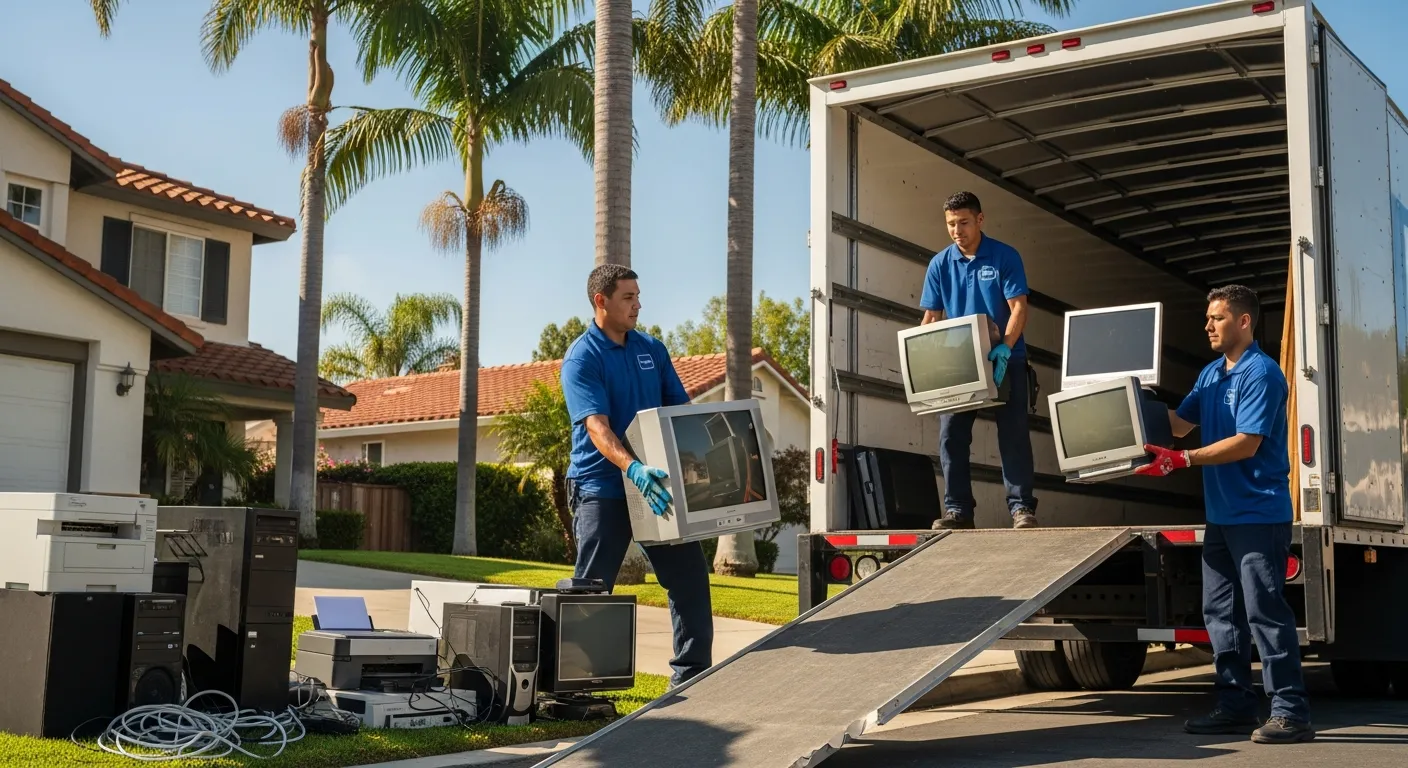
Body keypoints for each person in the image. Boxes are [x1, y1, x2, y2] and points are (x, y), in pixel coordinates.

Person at [1135, 284, 1313, 744]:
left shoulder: (1263, 374)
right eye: (1209, 318)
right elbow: (1177, 424)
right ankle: (1235, 706)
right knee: (1221, 616)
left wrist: (1185, 459)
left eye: (1217, 317)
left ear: (1244, 321)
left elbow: (1247, 442)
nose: (1208, 325)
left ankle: (1291, 712)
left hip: (1258, 514)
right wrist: (1131, 400)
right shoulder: (1212, 374)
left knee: (1265, 613)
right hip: (1221, 517)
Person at [559, 263, 714, 687]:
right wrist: (633, 469)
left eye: (638, 296)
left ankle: (692, 676)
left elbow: (678, 413)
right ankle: (578, 686)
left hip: (656, 486)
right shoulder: (582, 357)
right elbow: (596, 427)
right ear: (601, 301)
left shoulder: (652, 349)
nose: (638, 305)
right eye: (628, 297)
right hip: (601, 487)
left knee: (688, 578)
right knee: (591, 593)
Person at [919, 191, 1038, 530]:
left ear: (980, 219)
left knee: (1013, 435)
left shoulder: (1004, 256)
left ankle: (1021, 509)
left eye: (964, 223)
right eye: (951, 224)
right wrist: (923, 362)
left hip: (1006, 359)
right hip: (960, 365)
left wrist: (1006, 346)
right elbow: (931, 316)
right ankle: (958, 511)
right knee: (951, 436)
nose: (957, 230)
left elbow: (1019, 307)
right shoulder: (940, 264)